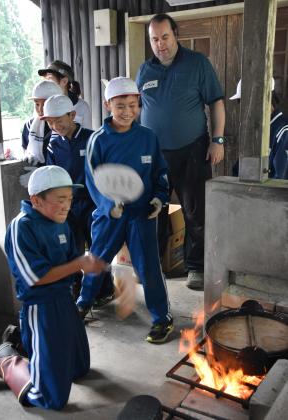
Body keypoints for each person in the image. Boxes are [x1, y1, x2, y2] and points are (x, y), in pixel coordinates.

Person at [0, 165, 106, 409]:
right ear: (36, 200)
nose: (67, 205)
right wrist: (78, 264)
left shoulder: (61, 221)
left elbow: (74, 261)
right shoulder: (22, 227)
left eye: (70, 199)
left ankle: (33, 353)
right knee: (50, 398)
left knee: (79, 369)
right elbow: (36, 277)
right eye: (60, 199)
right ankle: (5, 360)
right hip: (40, 307)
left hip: (64, 299)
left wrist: (92, 266)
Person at [77, 77, 173, 344]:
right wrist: (109, 207)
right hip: (110, 216)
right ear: (108, 105)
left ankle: (161, 318)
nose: (128, 111)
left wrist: (158, 199)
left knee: (149, 267)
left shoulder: (148, 137)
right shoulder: (98, 140)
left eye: (133, 105)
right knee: (96, 260)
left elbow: (160, 174)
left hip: (142, 215)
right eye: (120, 106)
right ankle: (83, 303)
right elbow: (92, 180)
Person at [136, 14, 225, 291]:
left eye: (164, 37)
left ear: (175, 34)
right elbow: (136, 108)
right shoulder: (145, 70)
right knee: (154, 210)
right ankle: (153, 265)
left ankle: (195, 267)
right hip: (154, 153)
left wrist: (218, 140)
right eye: (154, 39)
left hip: (193, 149)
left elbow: (216, 102)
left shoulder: (198, 63)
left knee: (195, 211)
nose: (160, 44)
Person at [41, 94, 114, 301]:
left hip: (93, 203)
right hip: (67, 206)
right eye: (51, 122)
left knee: (97, 247)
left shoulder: (92, 138)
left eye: (59, 120)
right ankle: (78, 289)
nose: (56, 125)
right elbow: (51, 172)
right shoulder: (53, 144)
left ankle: (104, 289)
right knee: (71, 248)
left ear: (72, 115)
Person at [230, 78, 288, 179]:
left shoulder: (284, 132)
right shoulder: (255, 130)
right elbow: (238, 171)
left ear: (264, 99)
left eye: (247, 103)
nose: (244, 110)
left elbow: (280, 180)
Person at [38, 60, 92, 129]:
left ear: (64, 81)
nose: (46, 84)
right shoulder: (42, 106)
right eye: (45, 80)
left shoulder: (82, 107)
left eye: (49, 79)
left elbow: (88, 137)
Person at [22, 80, 63, 165]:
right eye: (37, 104)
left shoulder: (66, 126)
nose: (40, 109)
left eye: (44, 104)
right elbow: (25, 149)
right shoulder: (29, 126)